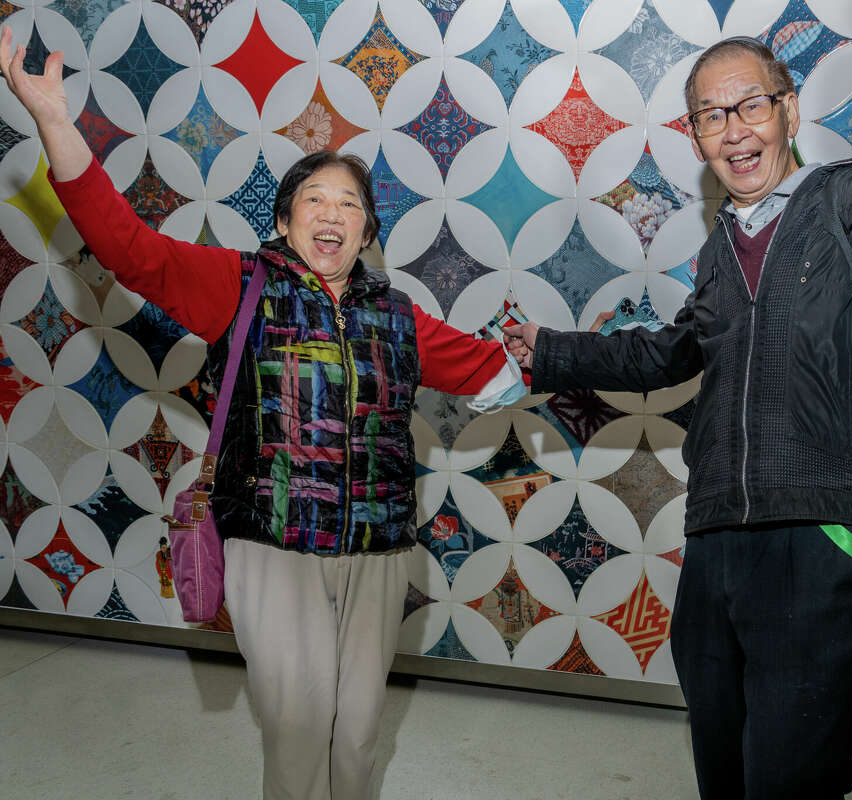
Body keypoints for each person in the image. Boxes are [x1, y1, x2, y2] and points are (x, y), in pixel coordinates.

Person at [504, 11, 852, 799]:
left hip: (825, 534)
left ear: (789, 110)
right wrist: (551, 350)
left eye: (751, 105)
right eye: (711, 116)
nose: (734, 130)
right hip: (719, 536)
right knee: (725, 773)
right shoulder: (721, 250)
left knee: (792, 780)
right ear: (695, 137)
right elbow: (671, 351)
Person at [0, 26, 526, 800]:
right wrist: (55, 124)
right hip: (273, 544)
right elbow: (129, 249)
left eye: (349, 203)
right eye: (314, 197)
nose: (332, 213)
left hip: (379, 551)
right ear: (285, 221)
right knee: (298, 725)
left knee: (359, 732)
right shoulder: (238, 284)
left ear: (367, 233)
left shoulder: (398, 314)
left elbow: (503, 371)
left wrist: (650, 351)